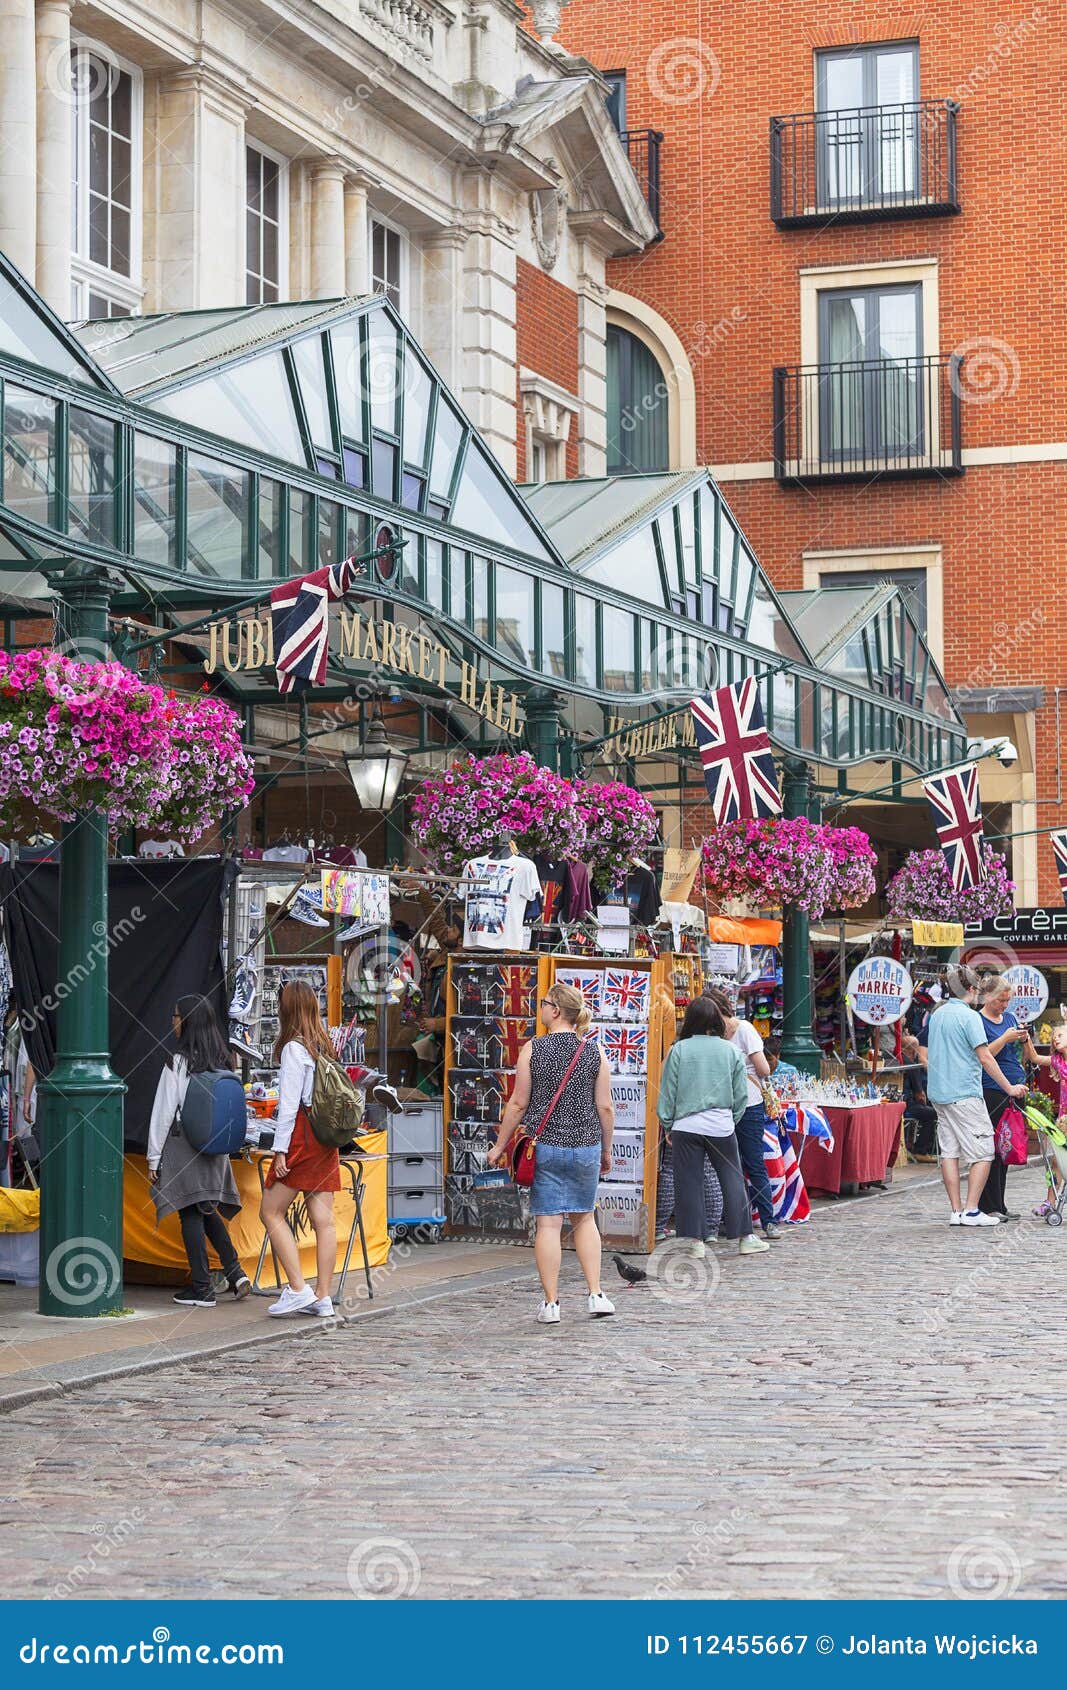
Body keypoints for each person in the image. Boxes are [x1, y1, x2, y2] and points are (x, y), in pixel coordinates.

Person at [487, 982, 616, 1324]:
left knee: (548, 1224)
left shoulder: (534, 1049)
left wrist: (500, 1146)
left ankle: (552, 1303)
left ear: (556, 1010)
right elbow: (605, 1107)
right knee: (584, 1218)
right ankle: (596, 1294)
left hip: (546, 1147)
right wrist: (606, 1150)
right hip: (586, 1145)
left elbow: (518, 1103)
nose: (539, 1008)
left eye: (543, 1003)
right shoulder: (594, 1051)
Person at [147, 995, 251, 1308]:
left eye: (176, 1016)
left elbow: (163, 1112)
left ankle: (202, 1288)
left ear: (188, 1021)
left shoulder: (178, 1061)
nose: (172, 1021)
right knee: (205, 1209)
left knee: (190, 1212)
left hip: (184, 1146)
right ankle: (235, 1272)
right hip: (215, 1147)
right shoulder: (223, 1058)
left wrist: (154, 1157)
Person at [657, 996, 770, 1260]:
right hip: (720, 1122)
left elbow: (668, 1091)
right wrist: (732, 1118)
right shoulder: (730, 1051)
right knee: (732, 1178)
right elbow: (741, 1093)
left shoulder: (679, 1050)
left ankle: (695, 1241)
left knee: (689, 1182)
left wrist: (667, 1123)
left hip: (686, 1124)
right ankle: (745, 1237)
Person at [259, 980, 341, 1319]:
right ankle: (322, 1295)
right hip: (325, 1139)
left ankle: (297, 1288)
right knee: (324, 1220)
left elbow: (289, 1106)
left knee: (270, 1210)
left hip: (301, 1138)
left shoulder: (294, 1048)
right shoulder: (323, 1045)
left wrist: (280, 1150)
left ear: (287, 1008)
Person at [926, 965, 1027, 1227]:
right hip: (964, 1091)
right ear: (970, 989)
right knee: (984, 1152)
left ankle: (956, 1210)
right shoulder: (969, 1017)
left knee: (950, 1152)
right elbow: (984, 1057)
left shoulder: (937, 1015)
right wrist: (1009, 1088)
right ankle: (972, 1210)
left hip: (939, 1092)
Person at [705, 986, 780, 1240]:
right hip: (727, 1105)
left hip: (746, 1104)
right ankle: (741, 1220)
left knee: (747, 1163)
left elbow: (764, 1069)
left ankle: (764, 1220)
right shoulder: (713, 1035)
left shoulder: (745, 1030)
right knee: (735, 1165)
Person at [976, 974, 1044, 1221]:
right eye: (1001, 1000)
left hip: (1016, 1087)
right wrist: (1005, 1037)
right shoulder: (978, 1021)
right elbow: (983, 1055)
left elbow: (1027, 1056)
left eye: (1007, 1000)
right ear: (988, 997)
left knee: (1006, 1147)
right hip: (993, 1088)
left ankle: (1000, 1204)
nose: (1005, 1005)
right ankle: (988, 1204)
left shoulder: (1011, 1018)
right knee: (992, 1147)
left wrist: (1025, 1040)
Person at [900, 1031, 938, 1159]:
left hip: (898, 1103)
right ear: (914, 1050)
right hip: (906, 1106)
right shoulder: (912, 1064)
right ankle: (921, 1151)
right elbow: (919, 1095)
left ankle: (912, 1144)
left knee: (926, 1109)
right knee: (933, 1113)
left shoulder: (898, 1060)